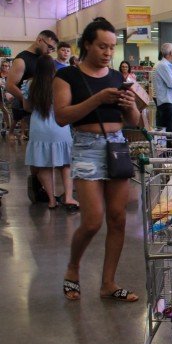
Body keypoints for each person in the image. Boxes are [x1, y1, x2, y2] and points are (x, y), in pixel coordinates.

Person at [53, 17, 141, 303]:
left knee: (117, 219)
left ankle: (108, 283)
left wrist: (130, 108)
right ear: (87, 44)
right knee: (92, 221)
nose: (107, 52)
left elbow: (134, 122)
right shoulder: (67, 77)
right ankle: (72, 267)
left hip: (117, 146)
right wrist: (98, 99)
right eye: (102, 46)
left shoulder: (118, 78)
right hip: (86, 146)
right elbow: (62, 115)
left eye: (112, 48)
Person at [22, 55, 79, 211]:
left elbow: (26, 107)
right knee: (65, 164)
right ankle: (68, 197)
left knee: (44, 165)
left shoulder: (29, 84)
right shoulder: (59, 83)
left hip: (38, 127)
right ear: (53, 68)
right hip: (58, 126)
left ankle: (52, 200)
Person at [6, 30, 59, 144]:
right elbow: (10, 85)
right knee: (39, 146)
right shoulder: (22, 60)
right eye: (49, 47)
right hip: (32, 112)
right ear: (40, 40)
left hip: (47, 110)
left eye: (52, 49)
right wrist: (28, 100)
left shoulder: (43, 59)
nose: (50, 51)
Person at [154, 43, 172, 132]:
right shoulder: (163, 65)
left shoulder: (167, 66)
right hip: (166, 103)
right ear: (170, 53)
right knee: (167, 131)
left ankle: (168, 145)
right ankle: (167, 146)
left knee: (170, 128)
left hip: (170, 102)